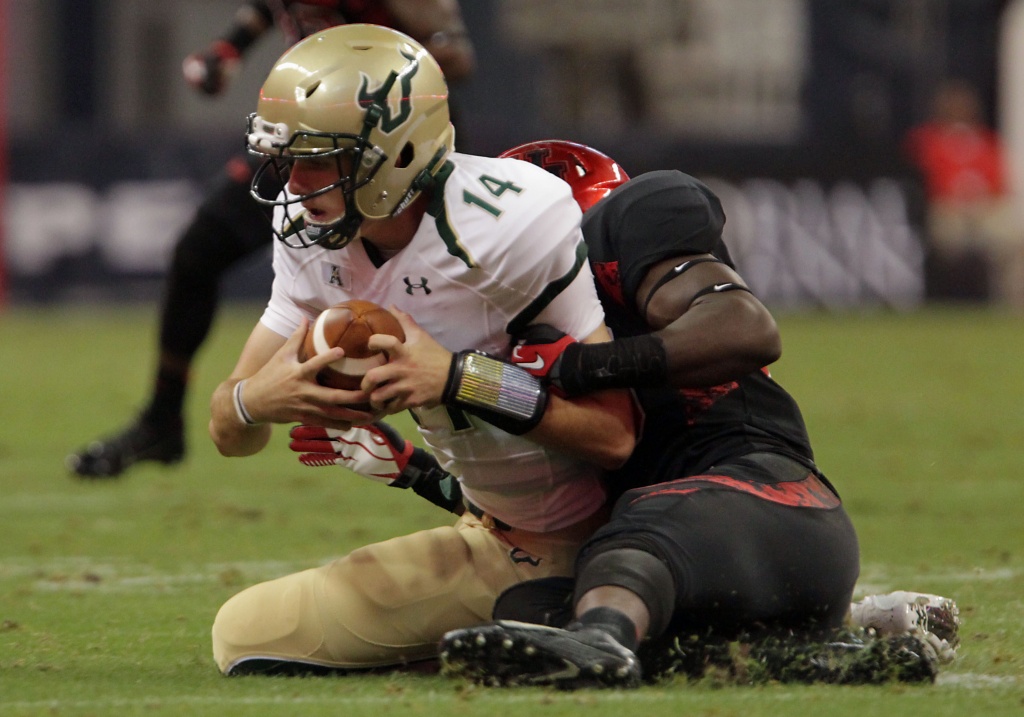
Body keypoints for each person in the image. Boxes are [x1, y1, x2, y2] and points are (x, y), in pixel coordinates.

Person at [300, 141, 958, 687]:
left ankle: (604, 642)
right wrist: (414, 469)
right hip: (694, 555)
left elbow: (748, 328)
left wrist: (578, 367)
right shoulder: (513, 331)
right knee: (530, 604)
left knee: (639, 534)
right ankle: (820, 650)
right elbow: (549, 507)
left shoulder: (629, 223)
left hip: (770, 500)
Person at [206, 25, 637, 675]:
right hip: (489, 524)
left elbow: (614, 435)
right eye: (288, 155)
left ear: (396, 152)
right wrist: (255, 400)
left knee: (255, 634)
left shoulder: (511, 224)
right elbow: (226, 431)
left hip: (604, 540)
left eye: (320, 157)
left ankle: (601, 611)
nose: (296, 181)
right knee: (244, 632)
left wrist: (461, 378)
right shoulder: (308, 229)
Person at [65, 0, 476, 479]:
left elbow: (456, 60)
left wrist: (370, 65)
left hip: (385, 147)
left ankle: (472, 432)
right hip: (315, 140)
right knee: (197, 252)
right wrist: (229, 48)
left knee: (442, 291)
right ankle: (162, 419)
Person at [904, 78, 1024, 308]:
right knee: (947, 233)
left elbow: (1000, 187)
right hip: (947, 210)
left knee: (1015, 237)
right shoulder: (927, 141)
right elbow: (917, 181)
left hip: (984, 210)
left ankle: (1010, 304)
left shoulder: (987, 142)